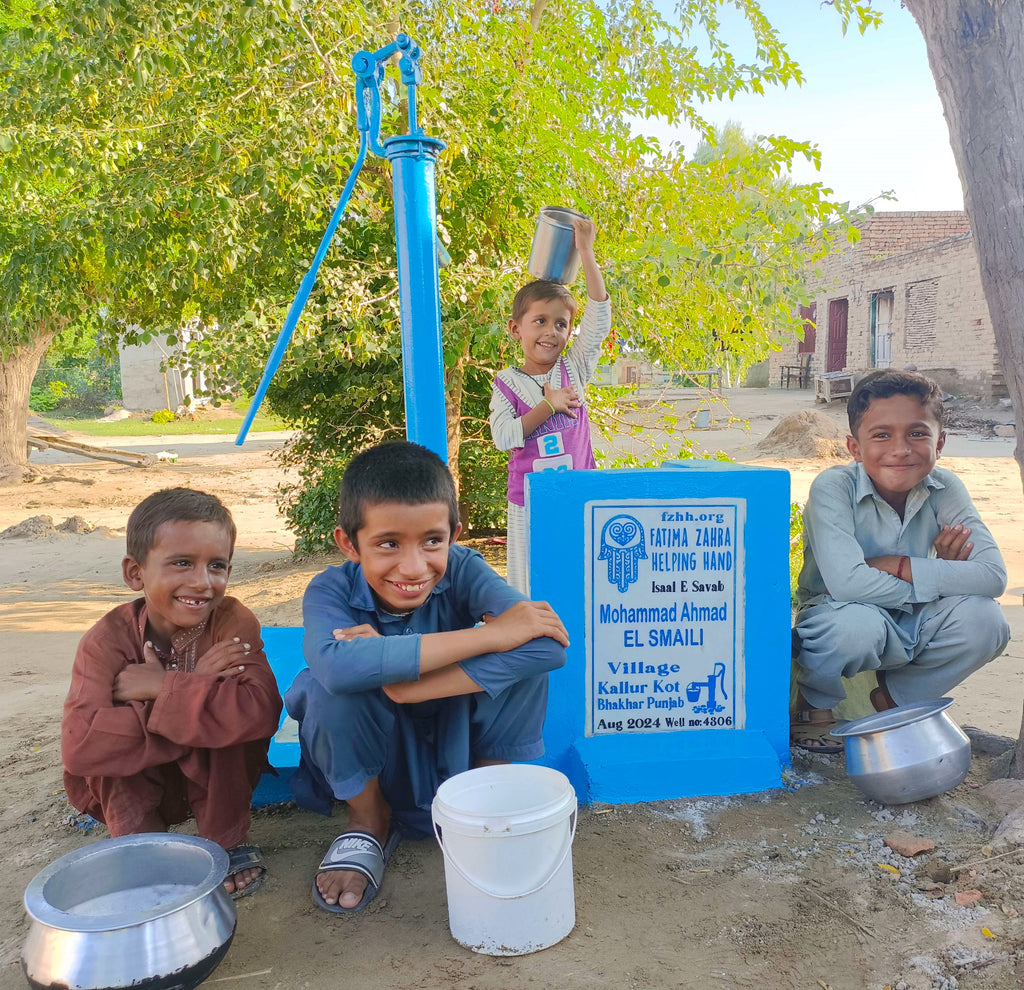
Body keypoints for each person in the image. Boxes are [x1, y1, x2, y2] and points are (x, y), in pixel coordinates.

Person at [285, 441, 569, 914]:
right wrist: (489, 636)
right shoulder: (330, 589)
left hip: (456, 749)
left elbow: (546, 645)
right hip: (383, 757)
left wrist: (409, 681)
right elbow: (335, 665)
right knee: (322, 687)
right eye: (388, 544)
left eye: (432, 541)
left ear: (454, 535)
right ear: (349, 544)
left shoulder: (464, 570)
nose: (415, 568)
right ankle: (368, 822)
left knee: (525, 667)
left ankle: (482, 808)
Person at [61, 488, 283, 897]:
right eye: (182, 563)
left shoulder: (231, 621)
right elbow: (81, 746)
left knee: (227, 723)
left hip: (216, 783)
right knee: (211, 714)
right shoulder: (106, 641)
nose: (202, 582)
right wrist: (194, 693)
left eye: (217, 566)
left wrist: (161, 687)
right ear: (135, 573)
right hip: (140, 786)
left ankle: (224, 843)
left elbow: (261, 710)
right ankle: (144, 849)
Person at [791, 370, 1010, 752]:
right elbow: (846, 586)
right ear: (854, 447)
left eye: (917, 433)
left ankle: (893, 702)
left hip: (912, 615)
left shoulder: (945, 488)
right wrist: (943, 576)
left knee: (986, 621)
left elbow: (993, 577)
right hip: (836, 611)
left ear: (939, 442)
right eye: (881, 435)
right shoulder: (833, 487)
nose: (901, 448)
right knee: (857, 625)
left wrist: (899, 564)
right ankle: (812, 707)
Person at [489, 215, 611, 594]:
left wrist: (586, 251)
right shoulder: (507, 384)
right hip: (529, 507)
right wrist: (548, 407)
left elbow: (599, 317)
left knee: (581, 580)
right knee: (530, 586)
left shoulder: (573, 369)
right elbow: (504, 437)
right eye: (539, 320)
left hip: (579, 497)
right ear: (516, 329)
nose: (550, 331)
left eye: (560, 324)